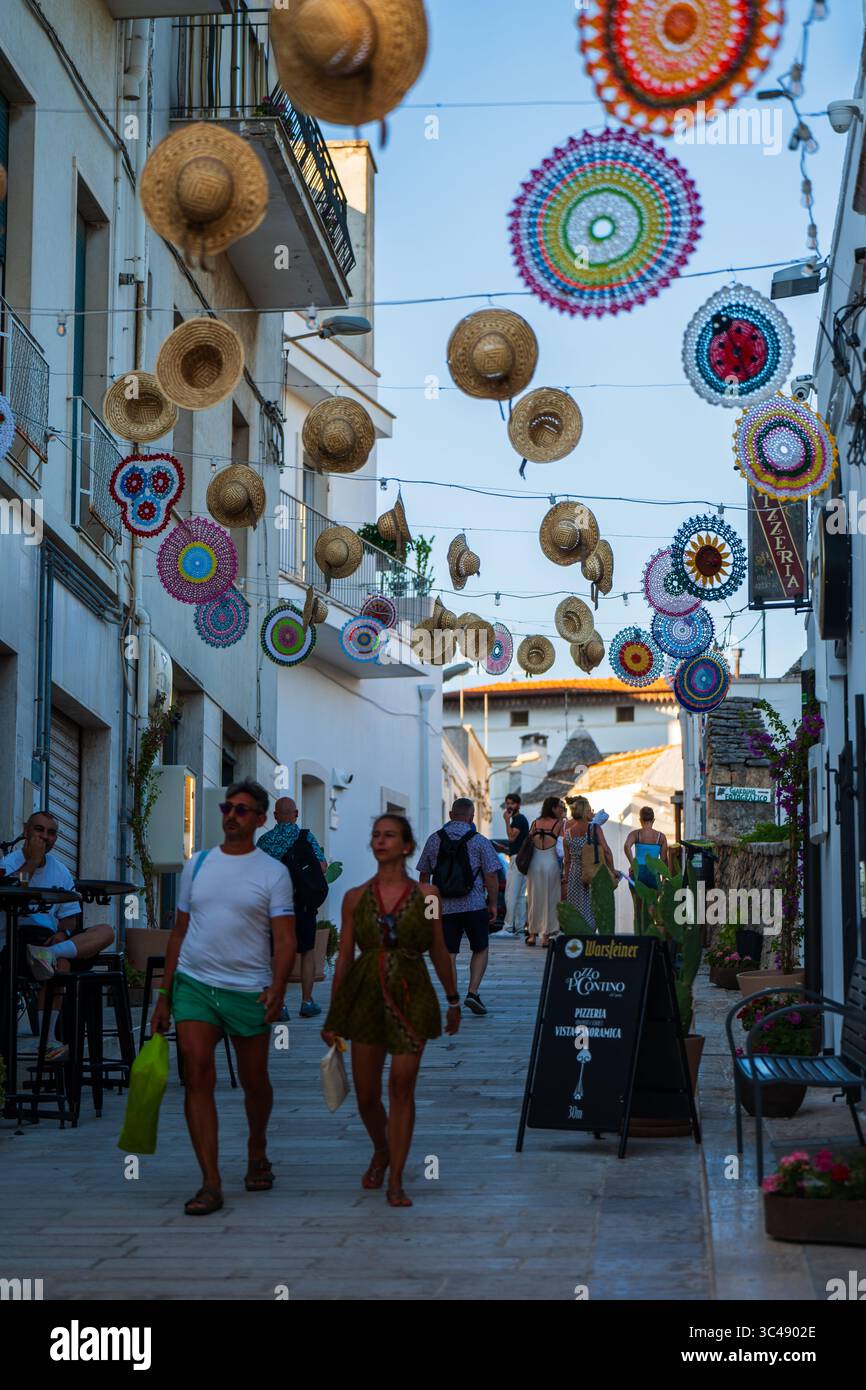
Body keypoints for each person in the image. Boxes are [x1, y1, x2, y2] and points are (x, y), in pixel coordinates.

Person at [150, 780, 296, 1216]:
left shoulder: (273, 873)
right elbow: (178, 932)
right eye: (227, 807)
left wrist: (277, 985)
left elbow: (285, 940)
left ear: (260, 820)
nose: (232, 815)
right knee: (196, 1073)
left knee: (255, 1082)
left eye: (243, 810)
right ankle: (210, 1183)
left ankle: (256, 1148)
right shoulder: (197, 865)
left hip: (249, 989)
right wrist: (165, 993)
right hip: (195, 984)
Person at [321, 814, 460, 1208]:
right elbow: (344, 958)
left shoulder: (428, 898)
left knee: (401, 1086)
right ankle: (381, 1149)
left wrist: (453, 998)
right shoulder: (354, 898)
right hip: (365, 994)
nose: (381, 841)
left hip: (412, 993)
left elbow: (437, 947)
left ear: (407, 846)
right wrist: (334, 1017)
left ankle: (396, 1179)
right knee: (366, 1095)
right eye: (376, 835)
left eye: (390, 835)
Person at [0, 810, 113, 1060]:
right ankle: (49, 1040)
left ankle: (51, 953)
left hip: (50, 940)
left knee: (105, 931)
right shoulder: (7, 865)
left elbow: (69, 917)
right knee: (60, 963)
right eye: (39, 830)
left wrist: (63, 933)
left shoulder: (60, 870)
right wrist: (31, 862)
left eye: (51, 833)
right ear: (26, 831)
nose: (45, 837)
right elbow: (8, 895)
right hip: (16, 939)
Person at [416, 798, 500, 1016]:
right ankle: (472, 992)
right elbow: (491, 874)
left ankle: (453, 997)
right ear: (472, 817)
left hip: (443, 906)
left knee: (448, 953)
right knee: (480, 948)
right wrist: (492, 903)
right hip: (473, 904)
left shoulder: (434, 839)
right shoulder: (480, 840)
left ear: (451, 814)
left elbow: (424, 875)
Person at [257, 796, 328, 1019]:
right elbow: (323, 868)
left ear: (275, 816)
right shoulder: (306, 837)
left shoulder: (265, 841)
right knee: (307, 952)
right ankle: (307, 1002)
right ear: (296, 814)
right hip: (304, 905)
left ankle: (280, 1005)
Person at [563, 796, 615, 934]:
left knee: (577, 907)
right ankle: (590, 938)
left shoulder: (568, 833)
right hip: (593, 871)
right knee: (594, 907)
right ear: (586, 812)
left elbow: (567, 861)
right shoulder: (594, 828)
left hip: (575, 874)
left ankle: (578, 937)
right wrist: (612, 870)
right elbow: (606, 851)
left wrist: (567, 879)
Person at [524, 797, 566, 947]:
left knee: (534, 898)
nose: (561, 809)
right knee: (550, 898)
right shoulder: (559, 824)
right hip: (550, 862)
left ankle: (531, 935)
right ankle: (546, 936)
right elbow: (562, 849)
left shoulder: (535, 823)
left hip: (534, 863)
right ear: (553, 808)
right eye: (559, 807)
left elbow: (528, 840)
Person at [491, 792, 530, 936]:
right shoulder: (519, 819)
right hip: (522, 860)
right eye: (507, 803)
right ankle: (519, 928)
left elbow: (512, 837)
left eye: (512, 803)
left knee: (510, 894)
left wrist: (506, 821)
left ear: (518, 805)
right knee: (519, 896)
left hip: (518, 861)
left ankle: (507, 928)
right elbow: (516, 842)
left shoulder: (518, 819)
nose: (509, 806)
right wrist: (506, 849)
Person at [625, 807, 669, 928]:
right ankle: (650, 936)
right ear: (653, 820)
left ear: (640, 819)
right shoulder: (661, 837)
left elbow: (626, 846)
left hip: (637, 872)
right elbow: (664, 860)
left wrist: (633, 862)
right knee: (652, 907)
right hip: (652, 873)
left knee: (638, 908)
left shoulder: (636, 834)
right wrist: (664, 878)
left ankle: (639, 937)